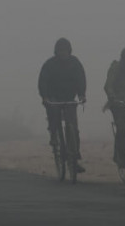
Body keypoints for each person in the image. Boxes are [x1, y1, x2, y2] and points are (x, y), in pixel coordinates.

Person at [38, 37, 87, 172]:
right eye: (60, 50)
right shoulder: (49, 64)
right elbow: (43, 81)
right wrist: (45, 96)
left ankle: (74, 158)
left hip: (69, 98)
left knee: (73, 128)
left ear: (69, 51)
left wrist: (82, 94)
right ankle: (54, 136)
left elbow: (80, 78)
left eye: (65, 50)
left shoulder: (75, 63)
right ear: (56, 51)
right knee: (54, 117)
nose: (63, 53)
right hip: (53, 98)